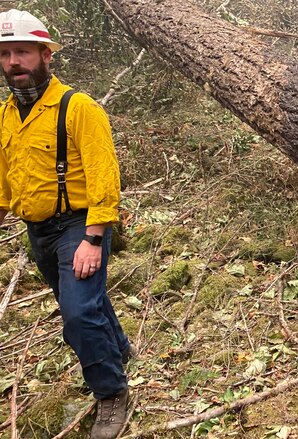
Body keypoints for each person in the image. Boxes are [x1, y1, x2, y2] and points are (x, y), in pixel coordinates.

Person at [0, 9, 132, 438]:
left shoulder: (79, 108)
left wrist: (94, 238)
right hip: (37, 230)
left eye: (22, 52)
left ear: (45, 55)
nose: (13, 62)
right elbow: (5, 180)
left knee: (77, 314)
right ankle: (120, 350)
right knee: (84, 304)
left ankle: (111, 394)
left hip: (79, 223)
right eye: (5, 54)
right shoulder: (5, 114)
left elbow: (104, 175)